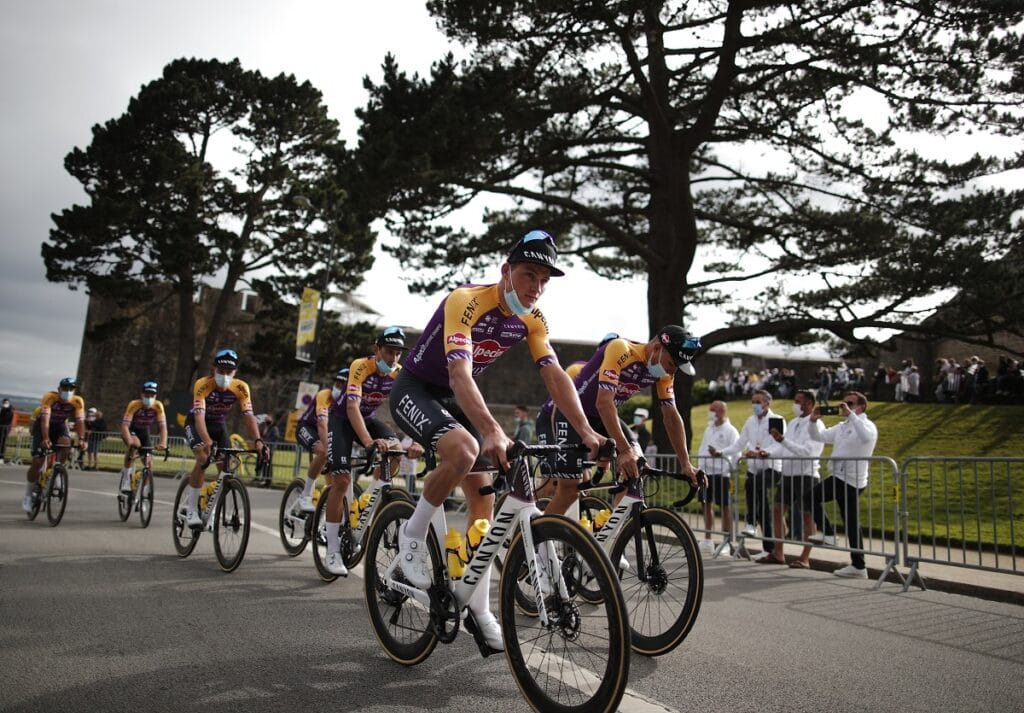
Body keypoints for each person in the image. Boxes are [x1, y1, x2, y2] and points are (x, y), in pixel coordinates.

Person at [389, 228, 604, 652]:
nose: (536, 288)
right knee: (466, 450)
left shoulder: (533, 318)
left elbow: (556, 377)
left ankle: (480, 607)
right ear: (506, 271)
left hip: (455, 398)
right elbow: (459, 373)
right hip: (417, 388)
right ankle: (411, 536)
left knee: (485, 503)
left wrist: (586, 431)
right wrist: (490, 428)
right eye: (528, 275)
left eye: (544, 280)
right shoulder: (465, 300)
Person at [540, 327, 702, 522]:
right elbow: (604, 402)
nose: (672, 370)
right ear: (657, 347)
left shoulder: (663, 371)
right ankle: (536, 543)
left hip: (604, 419)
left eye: (676, 367)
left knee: (636, 470)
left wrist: (685, 463)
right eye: (671, 364)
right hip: (574, 416)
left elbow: (671, 415)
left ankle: (612, 539)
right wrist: (624, 451)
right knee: (569, 491)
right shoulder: (621, 349)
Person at [320, 327, 409, 577]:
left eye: (397, 354)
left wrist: (414, 441)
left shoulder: (398, 374)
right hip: (342, 420)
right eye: (389, 352)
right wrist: (369, 441)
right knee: (341, 481)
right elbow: (351, 407)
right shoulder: (360, 366)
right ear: (376, 349)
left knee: (395, 454)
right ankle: (333, 551)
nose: (393, 358)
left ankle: (365, 501)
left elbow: (407, 406)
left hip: (367, 418)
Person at [179, 349, 266, 528]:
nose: (225, 376)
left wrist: (258, 440)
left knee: (225, 469)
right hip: (196, 424)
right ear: (213, 370)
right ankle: (191, 509)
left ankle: (211, 507)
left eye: (229, 372)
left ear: (235, 372)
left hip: (218, 426)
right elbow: (199, 418)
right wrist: (207, 441)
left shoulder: (241, 387)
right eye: (221, 372)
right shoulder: (202, 384)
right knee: (203, 458)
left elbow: (249, 416)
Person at [803, 390, 879, 578]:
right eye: (843, 403)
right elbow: (819, 436)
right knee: (851, 523)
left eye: (850, 404)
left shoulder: (867, 425)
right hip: (841, 476)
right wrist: (813, 420)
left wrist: (852, 416)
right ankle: (859, 566)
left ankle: (828, 534)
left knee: (809, 497)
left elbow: (867, 438)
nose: (844, 406)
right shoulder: (842, 426)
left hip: (851, 479)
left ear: (861, 407)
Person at [761, 389, 823, 567]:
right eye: (795, 401)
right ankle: (778, 553)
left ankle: (805, 557)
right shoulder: (794, 422)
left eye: (799, 401)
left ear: (810, 404)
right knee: (778, 510)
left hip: (806, 475)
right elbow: (784, 448)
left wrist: (782, 441)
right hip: (788, 474)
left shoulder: (816, 425)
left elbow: (807, 452)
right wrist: (767, 453)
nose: (795, 404)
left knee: (807, 516)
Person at [721, 389, 782, 559]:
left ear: (767, 403)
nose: (754, 405)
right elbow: (740, 443)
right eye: (753, 401)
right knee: (763, 508)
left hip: (772, 467)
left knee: (751, 484)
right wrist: (721, 452)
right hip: (754, 468)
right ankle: (768, 548)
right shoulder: (750, 421)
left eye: (758, 401)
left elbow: (779, 444)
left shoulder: (776, 420)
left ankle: (750, 522)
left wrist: (763, 452)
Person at [23, 377, 86, 512]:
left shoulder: (77, 401)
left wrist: (81, 439)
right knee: (37, 461)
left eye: (71, 389)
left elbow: (80, 422)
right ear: (59, 389)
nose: (68, 391)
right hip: (43, 427)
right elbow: (45, 421)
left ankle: (57, 472)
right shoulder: (50, 397)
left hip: (59, 426)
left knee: (66, 446)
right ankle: (28, 495)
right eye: (65, 388)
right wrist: (45, 438)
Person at [294, 368, 349, 513]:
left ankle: (324, 516)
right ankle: (306, 495)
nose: (337, 388)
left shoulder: (348, 403)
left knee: (336, 479)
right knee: (325, 453)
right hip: (307, 428)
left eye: (342, 386)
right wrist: (330, 450)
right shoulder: (324, 395)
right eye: (336, 384)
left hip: (327, 433)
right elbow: (322, 424)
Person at [696, 400, 739, 556]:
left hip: (722, 473)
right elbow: (702, 447)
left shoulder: (730, 430)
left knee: (725, 506)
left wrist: (727, 467)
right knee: (706, 504)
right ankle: (707, 539)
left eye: (713, 409)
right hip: (707, 472)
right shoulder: (709, 428)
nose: (710, 412)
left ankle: (726, 541)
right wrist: (700, 467)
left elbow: (736, 452)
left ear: (722, 411)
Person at [118, 381, 168, 493]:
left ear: (155, 396)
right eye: (146, 395)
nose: (149, 397)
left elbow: (163, 427)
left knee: (149, 464)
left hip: (144, 431)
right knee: (135, 445)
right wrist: (129, 440)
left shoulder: (158, 406)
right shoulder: (134, 404)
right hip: (132, 429)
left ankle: (143, 492)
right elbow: (125, 425)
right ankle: (126, 479)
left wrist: (163, 442)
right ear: (141, 395)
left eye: (152, 395)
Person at [0, 398, 14, 463]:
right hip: (2, 428)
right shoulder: (3, 409)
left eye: (6, 403)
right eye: (4, 403)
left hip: (4, 429)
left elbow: (6, 419)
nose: (5, 404)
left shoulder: (9, 410)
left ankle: (1, 457)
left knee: (2, 443)